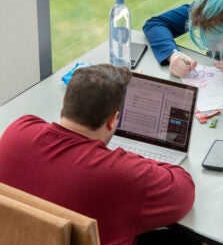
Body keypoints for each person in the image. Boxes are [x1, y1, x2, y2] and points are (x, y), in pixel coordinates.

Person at [0, 64, 196, 245]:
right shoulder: (122, 175)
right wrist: (124, 159)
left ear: (64, 102)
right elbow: (185, 191)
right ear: (113, 120)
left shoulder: (18, 130)